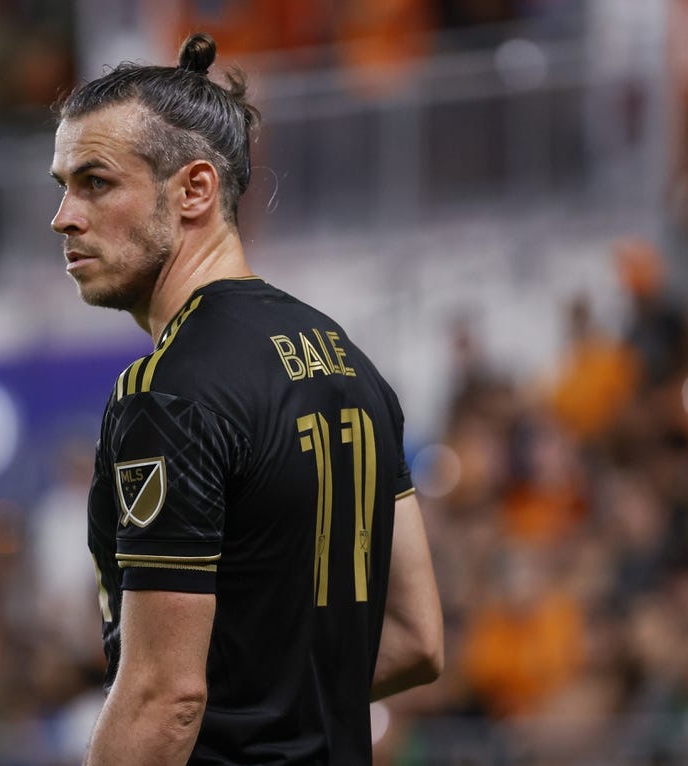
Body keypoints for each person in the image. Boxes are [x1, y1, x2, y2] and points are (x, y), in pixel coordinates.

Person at [49, 32, 443, 765]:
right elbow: (417, 641)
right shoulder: (349, 362)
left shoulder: (169, 394)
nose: (65, 216)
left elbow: (165, 697)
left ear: (195, 189)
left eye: (96, 182)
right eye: (63, 186)